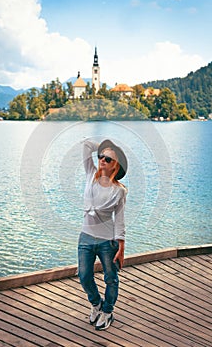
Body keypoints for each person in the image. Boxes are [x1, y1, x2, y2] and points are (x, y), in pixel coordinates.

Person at [78, 138, 128, 331]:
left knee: (111, 278)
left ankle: (107, 311)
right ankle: (96, 304)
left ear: (115, 165)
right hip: (86, 237)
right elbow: (86, 145)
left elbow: (120, 219)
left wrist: (121, 246)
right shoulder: (91, 174)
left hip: (108, 240)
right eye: (101, 156)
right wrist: (108, 146)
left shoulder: (119, 191)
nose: (102, 160)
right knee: (84, 275)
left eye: (108, 158)